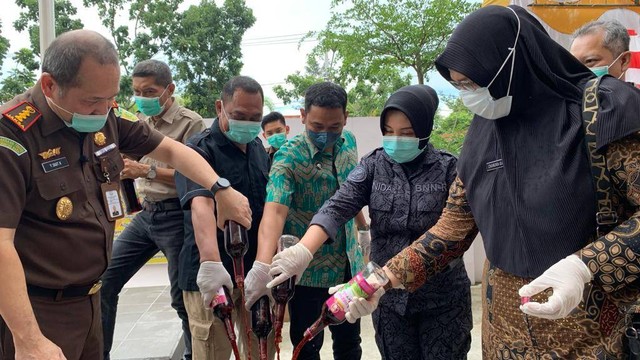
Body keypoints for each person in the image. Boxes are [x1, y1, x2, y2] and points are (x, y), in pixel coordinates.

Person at [271, 5, 640, 359]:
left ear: (511, 63)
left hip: (590, 327)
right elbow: (452, 227)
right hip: (505, 328)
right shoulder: (483, 133)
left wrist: (587, 265)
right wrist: (381, 281)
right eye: (460, 85)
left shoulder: (603, 111)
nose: (469, 95)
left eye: (474, 82)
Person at [0, 29, 251, 360]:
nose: (104, 109)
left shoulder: (107, 117)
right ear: (50, 86)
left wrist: (221, 189)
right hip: (39, 311)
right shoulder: (12, 137)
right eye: (93, 100)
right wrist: (29, 339)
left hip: (90, 301)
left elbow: (174, 151)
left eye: (111, 98)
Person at [269, 84, 473, 359]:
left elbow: (453, 234)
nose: (395, 140)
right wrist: (305, 249)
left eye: (406, 133)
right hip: (389, 304)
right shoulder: (374, 165)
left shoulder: (450, 169)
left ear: (425, 129)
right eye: (388, 132)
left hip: (442, 302)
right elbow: (339, 204)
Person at [245, 82, 367, 360]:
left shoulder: (349, 142)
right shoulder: (289, 157)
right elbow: (274, 212)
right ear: (302, 116)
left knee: (349, 342)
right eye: (317, 126)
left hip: (348, 262)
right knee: (306, 346)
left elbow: (352, 189)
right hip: (307, 271)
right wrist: (263, 264)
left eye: (334, 126)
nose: (326, 134)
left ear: (345, 118)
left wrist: (363, 228)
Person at [101, 59, 206, 360]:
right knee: (105, 281)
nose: (142, 98)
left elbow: (196, 175)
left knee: (183, 298)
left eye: (150, 91)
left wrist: (143, 171)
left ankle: (193, 356)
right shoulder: (137, 123)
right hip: (145, 216)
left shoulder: (191, 123)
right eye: (137, 91)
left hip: (176, 216)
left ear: (169, 89)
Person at [175, 76, 275, 360]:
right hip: (211, 273)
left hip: (254, 273)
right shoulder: (198, 150)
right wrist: (210, 262)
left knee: (259, 349)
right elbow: (201, 207)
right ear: (220, 107)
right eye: (239, 116)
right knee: (212, 351)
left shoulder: (258, 149)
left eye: (255, 117)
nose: (248, 123)